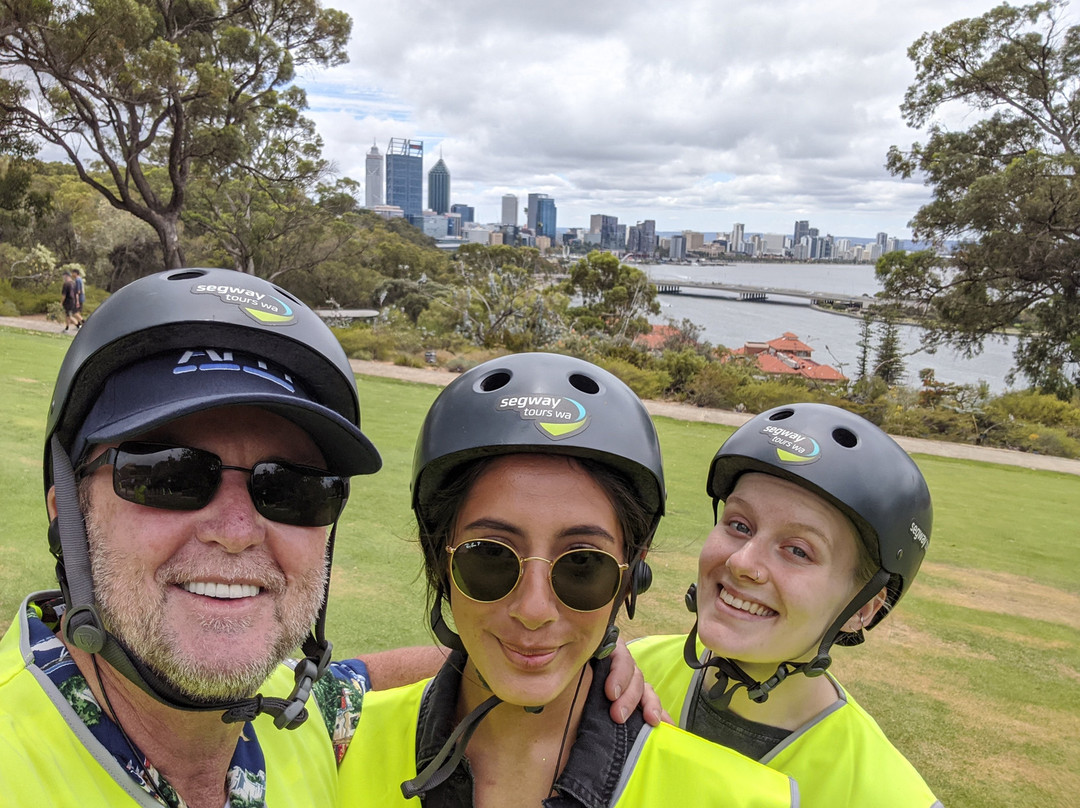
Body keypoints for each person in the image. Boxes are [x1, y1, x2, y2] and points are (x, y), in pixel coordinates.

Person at [0, 268, 657, 807]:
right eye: (169, 475)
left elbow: (365, 679)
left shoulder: (298, 718)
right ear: (66, 507)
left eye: (291, 487)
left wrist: (569, 647)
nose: (235, 532)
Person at [338, 353, 799, 806]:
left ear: (629, 577)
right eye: (492, 557)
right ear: (441, 560)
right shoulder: (332, 744)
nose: (534, 610)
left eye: (583, 566)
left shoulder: (740, 798)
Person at [629, 403, 942, 807]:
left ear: (865, 609)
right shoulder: (630, 674)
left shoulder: (886, 796)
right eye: (739, 525)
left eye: (797, 550)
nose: (742, 563)